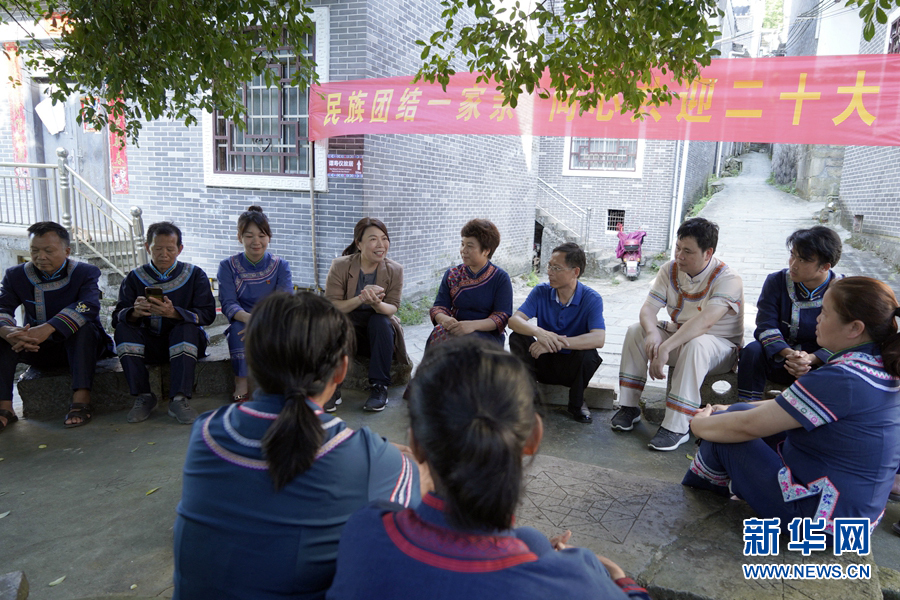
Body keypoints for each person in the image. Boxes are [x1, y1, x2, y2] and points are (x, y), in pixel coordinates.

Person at [327, 337, 650, 600]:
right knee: (532, 540)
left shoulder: (366, 532)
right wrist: (618, 578)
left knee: (531, 539)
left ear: (416, 444)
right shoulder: (575, 582)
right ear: (533, 437)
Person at [173, 292, 421, 600]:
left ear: (251, 361)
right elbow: (421, 531)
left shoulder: (206, 432)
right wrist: (396, 460)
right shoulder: (370, 458)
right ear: (341, 369)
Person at [683, 277, 900, 537]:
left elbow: (747, 426)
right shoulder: (875, 363)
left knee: (724, 436)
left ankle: (699, 500)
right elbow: (791, 405)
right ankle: (738, 489)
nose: (817, 319)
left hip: (821, 520)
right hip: (855, 513)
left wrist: (699, 424)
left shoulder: (843, 378)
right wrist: (728, 409)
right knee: (737, 413)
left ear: (854, 328)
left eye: (825, 313)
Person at [612, 218, 744, 451]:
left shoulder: (728, 279)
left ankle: (677, 426)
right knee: (636, 331)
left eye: (688, 251)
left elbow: (705, 322)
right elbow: (648, 309)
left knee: (697, 344)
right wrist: (652, 333)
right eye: (678, 248)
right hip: (681, 337)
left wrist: (665, 347)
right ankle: (629, 407)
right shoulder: (669, 269)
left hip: (720, 348)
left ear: (708, 253)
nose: (679, 256)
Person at [0, 221, 114, 429]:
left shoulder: (85, 272)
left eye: (48, 251)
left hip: (81, 346)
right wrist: (9, 331)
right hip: (35, 347)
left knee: (84, 327)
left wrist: (48, 328)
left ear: (67, 251)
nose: (40, 257)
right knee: (2, 336)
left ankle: (81, 400)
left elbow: (87, 306)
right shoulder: (15, 275)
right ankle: (4, 407)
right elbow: (3, 307)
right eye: (34, 250)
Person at [112, 222, 216, 425]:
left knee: (186, 326)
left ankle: (179, 399)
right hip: (149, 346)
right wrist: (134, 312)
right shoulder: (134, 278)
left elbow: (208, 314)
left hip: (186, 343)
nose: (164, 254)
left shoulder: (195, 275)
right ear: (147, 247)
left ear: (180, 249)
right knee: (124, 328)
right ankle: (143, 396)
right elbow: (117, 317)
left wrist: (174, 313)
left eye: (170, 249)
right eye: (158, 248)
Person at [737, 226, 842, 402]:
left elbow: (843, 338)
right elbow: (766, 325)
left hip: (818, 362)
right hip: (781, 357)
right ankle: (747, 405)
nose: (793, 264)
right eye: (793, 255)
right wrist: (790, 354)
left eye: (803, 260)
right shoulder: (776, 281)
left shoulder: (843, 291)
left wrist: (811, 359)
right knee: (752, 351)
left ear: (824, 267)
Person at [508, 242, 605, 424]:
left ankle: (576, 403)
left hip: (570, 367)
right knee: (517, 338)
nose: (550, 272)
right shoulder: (541, 291)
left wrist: (555, 343)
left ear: (575, 272)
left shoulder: (591, 299)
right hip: (542, 361)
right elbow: (514, 320)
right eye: (549, 266)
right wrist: (539, 332)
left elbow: (599, 338)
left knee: (589, 355)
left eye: (557, 268)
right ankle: (529, 399)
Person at [325, 217, 408, 412]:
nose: (381, 245)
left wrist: (377, 303)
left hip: (378, 335)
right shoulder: (340, 266)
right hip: (347, 331)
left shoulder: (395, 270)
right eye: (373, 239)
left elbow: (393, 307)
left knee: (381, 321)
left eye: (384, 238)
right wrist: (361, 298)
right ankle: (332, 388)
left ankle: (379, 387)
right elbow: (332, 305)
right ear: (359, 243)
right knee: (336, 322)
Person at [217, 205, 293, 403]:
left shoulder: (281, 265)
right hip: (243, 318)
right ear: (239, 237)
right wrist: (250, 319)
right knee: (237, 330)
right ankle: (241, 383)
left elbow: (284, 301)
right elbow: (228, 302)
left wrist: (261, 322)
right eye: (249, 236)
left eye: (261, 235)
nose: (256, 241)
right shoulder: (227, 266)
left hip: (273, 319)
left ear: (269, 237)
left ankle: (280, 383)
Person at [427, 219, 513, 347]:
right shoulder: (452, 274)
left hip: (487, 335)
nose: (463, 250)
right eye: (462, 244)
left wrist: (472, 326)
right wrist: (445, 320)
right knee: (438, 334)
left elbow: (502, 316)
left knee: (467, 344)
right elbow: (439, 307)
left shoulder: (500, 278)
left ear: (486, 250)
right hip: (455, 329)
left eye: (470, 246)